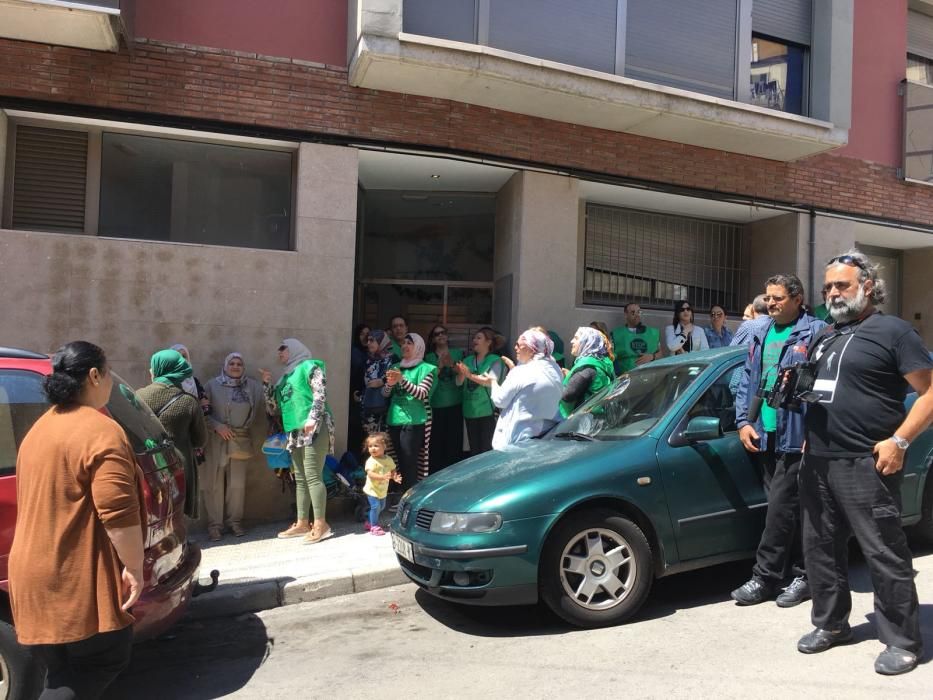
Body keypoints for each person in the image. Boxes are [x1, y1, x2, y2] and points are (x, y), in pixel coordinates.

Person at [796, 251, 933, 675]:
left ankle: (902, 640)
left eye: (842, 285)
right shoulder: (825, 335)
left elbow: (929, 392)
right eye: (828, 288)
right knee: (820, 548)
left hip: (867, 463)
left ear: (868, 286)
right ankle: (831, 624)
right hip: (818, 460)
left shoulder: (895, 332)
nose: (833, 293)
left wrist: (900, 441)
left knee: (883, 552)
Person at [10, 341, 144, 698]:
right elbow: (117, 513)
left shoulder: (39, 430)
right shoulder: (101, 431)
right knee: (102, 659)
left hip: (32, 577)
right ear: (94, 375)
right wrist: (134, 567)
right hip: (74, 579)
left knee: (61, 673)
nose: (113, 380)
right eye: (109, 371)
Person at [731, 274, 825, 608]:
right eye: (768, 298)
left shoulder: (815, 332)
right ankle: (803, 575)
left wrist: (813, 432)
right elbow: (746, 379)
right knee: (790, 509)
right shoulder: (759, 332)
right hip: (765, 434)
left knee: (780, 508)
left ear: (797, 298)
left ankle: (766, 577)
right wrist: (743, 421)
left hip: (796, 436)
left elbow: (822, 388)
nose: (771, 303)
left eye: (778, 298)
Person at [260, 338, 334, 544]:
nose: (279, 353)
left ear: (294, 348)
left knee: (312, 475)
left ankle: (321, 524)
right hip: (294, 430)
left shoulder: (310, 366)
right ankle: (303, 522)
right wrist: (267, 384)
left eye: (282, 348)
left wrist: (313, 418)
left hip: (314, 426)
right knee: (300, 478)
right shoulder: (284, 378)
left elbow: (320, 394)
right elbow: (273, 408)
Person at [136, 348, 207, 518]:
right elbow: (200, 440)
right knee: (177, 515)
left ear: (158, 369)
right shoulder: (189, 401)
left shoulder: (138, 396)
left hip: (148, 465)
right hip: (179, 466)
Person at [202, 352, 264, 541]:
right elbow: (202, 411)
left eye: (239, 364)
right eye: (232, 363)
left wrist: (267, 383)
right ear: (225, 365)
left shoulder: (251, 387)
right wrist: (217, 426)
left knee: (237, 484)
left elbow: (266, 401)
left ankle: (235, 522)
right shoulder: (212, 385)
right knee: (214, 483)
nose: (235, 366)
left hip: (240, 440)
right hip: (216, 440)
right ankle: (214, 525)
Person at [473, 328, 563, 449]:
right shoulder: (555, 369)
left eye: (518, 345)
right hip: (546, 438)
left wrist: (493, 382)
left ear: (531, 348)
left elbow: (500, 400)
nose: (515, 348)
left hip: (519, 441)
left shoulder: (522, 371)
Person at [382, 333, 438, 487]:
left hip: (415, 419)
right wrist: (390, 384)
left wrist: (402, 380)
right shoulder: (395, 367)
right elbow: (385, 394)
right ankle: (399, 494)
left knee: (410, 460)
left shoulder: (426, 368)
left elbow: (421, 393)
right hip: (394, 419)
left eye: (409, 343)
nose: (405, 346)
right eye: (404, 343)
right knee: (396, 460)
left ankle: (409, 496)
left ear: (418, 347)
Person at [456, 328, 507, 456]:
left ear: (488, 342)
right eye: (474, 338)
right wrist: (462, 374)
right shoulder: (467, 360)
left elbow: (491, 381)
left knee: (486, 451)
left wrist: (469, 375)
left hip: (487, 412)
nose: (474, 340)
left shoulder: (495, 360)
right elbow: (458, 383)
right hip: (469, 411)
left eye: (478, 338)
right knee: (473, 451)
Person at [425, 324, 465, 472]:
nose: (440, 336)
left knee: (454, 440)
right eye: (436, 334)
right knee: (436, 441)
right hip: (436, 404)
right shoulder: (429, 357)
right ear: (433, 339)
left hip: (455, 402)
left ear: (447, 335)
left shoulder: (457, 353)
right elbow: (428, 379)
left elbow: (463, 374)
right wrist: (440, 366)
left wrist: (452, 365)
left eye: (443, 333)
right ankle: (436, 472)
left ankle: (454, 471)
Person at [559, 326, 616, 417]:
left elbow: (567, 396)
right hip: (601, 418)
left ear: (587, 342)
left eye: (576, 338)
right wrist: (571, 375)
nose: (572, 341)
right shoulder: (600, 362)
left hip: (586, 422)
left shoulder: (586, 367)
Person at [361, 432, 400, 536]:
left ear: (384, 446)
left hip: (382, 490)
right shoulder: (371, 461)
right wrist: (382, 477)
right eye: (370, 446)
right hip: (372, 489)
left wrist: (395, 477)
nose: (372, 448)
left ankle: (368, 520)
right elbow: (370, 474)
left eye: (376, 446)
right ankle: (374, 526)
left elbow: (393, 469)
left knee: (381, 507)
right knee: (375, 506)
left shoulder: (388, 459)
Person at [611, 302, 661, 374]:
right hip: (625, 377)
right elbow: (610, 356)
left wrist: (652, 356)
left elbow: (661, 354)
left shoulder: (652, 333)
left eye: (639, 312)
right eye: (633, 312)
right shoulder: (617, 334)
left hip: (649, 377)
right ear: (626, 315)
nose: (637, 315)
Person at [361, 330, 394, 437]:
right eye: (368, 340)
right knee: (371, 442)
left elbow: (398, 376)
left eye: (372, 340)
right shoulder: (368, 359)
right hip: (368, 406)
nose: (368, 343)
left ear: (381, 342)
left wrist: (382, 381)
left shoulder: (392, 359)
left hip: (385, 407)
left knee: (383, 442)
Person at [348, 323, 370, 460]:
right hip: (356, 399)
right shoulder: (354, 352)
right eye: (362, 334)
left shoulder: (375, 355)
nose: (366, 338)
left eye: (368, 334)